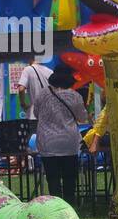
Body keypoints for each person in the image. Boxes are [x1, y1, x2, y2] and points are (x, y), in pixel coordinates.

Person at [34, 65, 89, 207]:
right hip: (69, 142)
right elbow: (82, 118)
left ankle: (55, 209)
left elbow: (36, 114)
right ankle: (69, 208)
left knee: (53, 179)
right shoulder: (75, 96)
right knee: (69, 178)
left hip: (47, 141)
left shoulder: (42, 94)